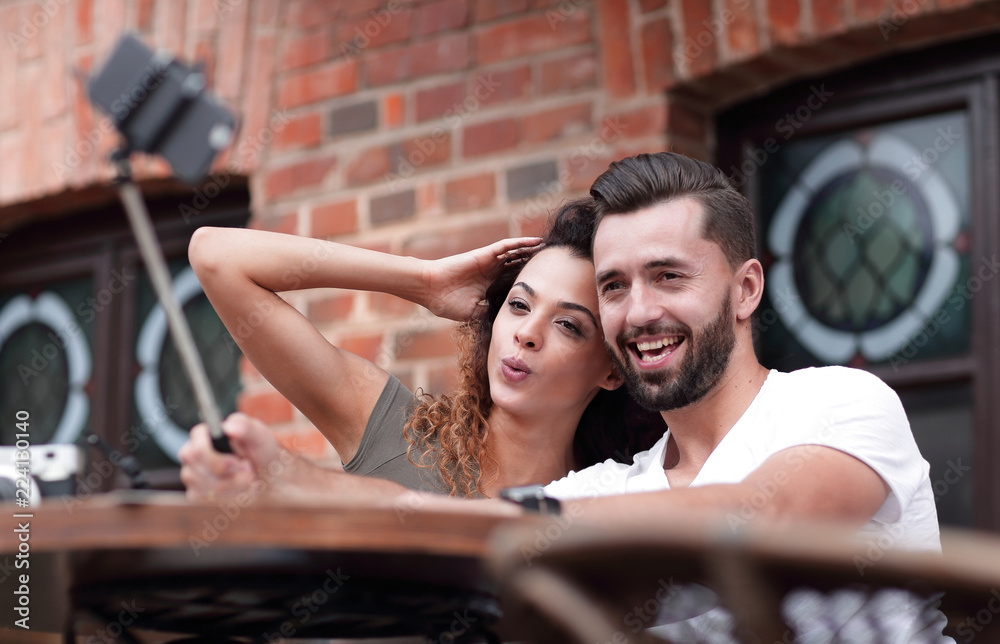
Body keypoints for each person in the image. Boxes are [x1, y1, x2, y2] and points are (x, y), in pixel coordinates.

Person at [185, 152, 949, 641]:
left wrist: (327, 495)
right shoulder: (609, 486)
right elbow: (491, 570)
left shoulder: (838, 402)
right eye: (616, 286)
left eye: (669, 275)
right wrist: (288, 488)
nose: (640, 310)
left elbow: (756, 519)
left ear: (745, 288)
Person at [180, 199, 664, 500]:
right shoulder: (397, 431)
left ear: (613, 371)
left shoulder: (609, 500)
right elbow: (215, 255)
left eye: (567, 325)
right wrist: (422, 280)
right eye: (518, 305)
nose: (526, 333)